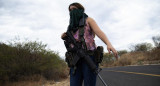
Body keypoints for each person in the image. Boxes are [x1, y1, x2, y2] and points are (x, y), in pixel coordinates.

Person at [61, 2, 118, 86]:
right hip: (75, 60)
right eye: (70, 10)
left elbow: (99, 32)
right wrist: (64, 37)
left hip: (89, 57)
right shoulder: (71, 26)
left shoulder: (88, 20)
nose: (72, 12)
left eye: (74, 9)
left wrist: (108, 44)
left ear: (80, 9)